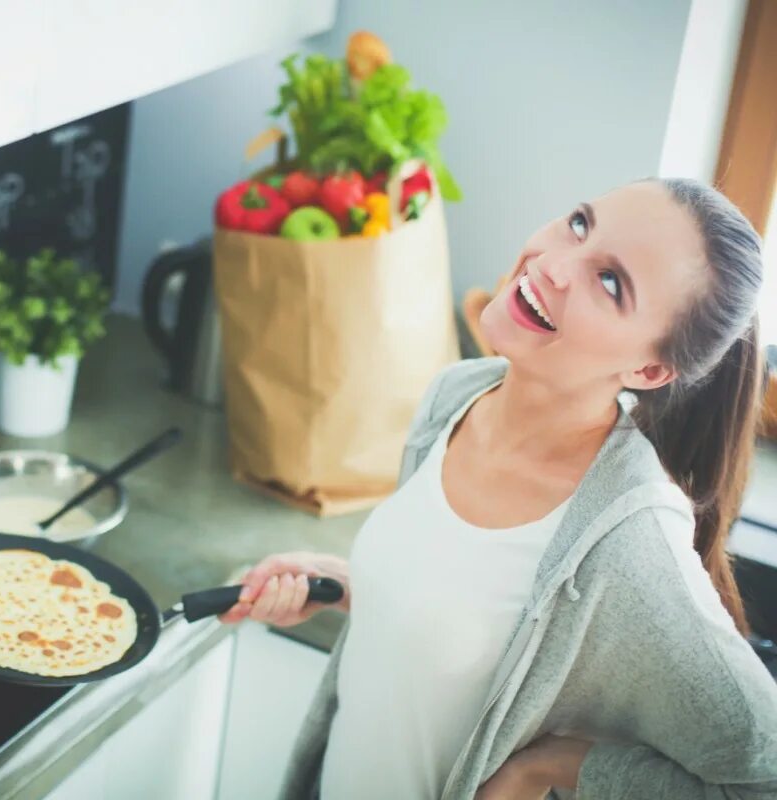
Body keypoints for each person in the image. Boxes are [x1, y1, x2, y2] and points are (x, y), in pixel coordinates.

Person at [220, 178, 777, 800]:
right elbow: (473, 629)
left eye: (611, 282)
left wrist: (557, 767)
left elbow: (765, 775)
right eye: (579, 223)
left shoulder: (627, 541)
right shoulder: (457, 397)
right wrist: (349, 583)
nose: (556, 264)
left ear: (647, 369)